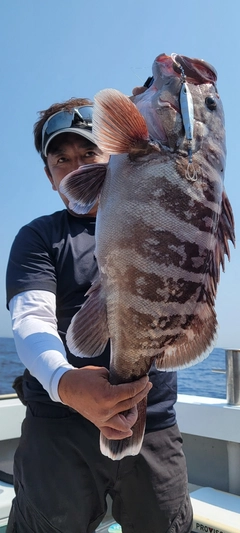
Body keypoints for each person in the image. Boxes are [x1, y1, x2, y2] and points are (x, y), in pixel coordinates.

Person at [6, 95, 193, 533]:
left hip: (154, 418)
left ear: (112, 156)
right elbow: (31, 318)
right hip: (60, 424)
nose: (75, 167)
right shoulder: (39, 236)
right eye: (61, 159)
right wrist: (64, 382)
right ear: (50, 176)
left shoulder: (156, 217)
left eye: (88, 152)